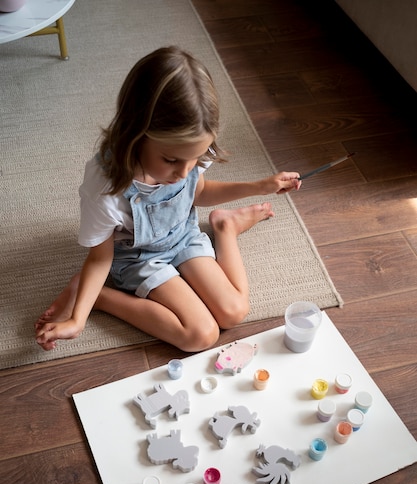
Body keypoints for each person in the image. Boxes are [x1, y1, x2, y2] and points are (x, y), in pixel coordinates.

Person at [35, 46, 301, 354]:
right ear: (136, 133)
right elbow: (100, 257)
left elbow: (198, 192)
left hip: (182, 236)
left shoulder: (188, 153)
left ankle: (226, 226)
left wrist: (260, 186)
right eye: (171, 160)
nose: (183, 172)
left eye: (195, 158)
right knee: (200, 335)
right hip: (138, 257)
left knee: (234, 312)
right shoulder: (105, 185)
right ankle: (100, 296)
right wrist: (79, 317)